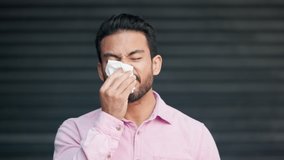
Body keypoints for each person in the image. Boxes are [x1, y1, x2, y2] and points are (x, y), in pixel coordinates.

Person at [53, 13, 220, 160]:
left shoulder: (195, 134)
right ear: (100, 71)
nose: (125, 68)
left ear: (156, 65)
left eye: (135, 58)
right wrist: (109, 120)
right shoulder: (74, 131)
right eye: (114, 60)